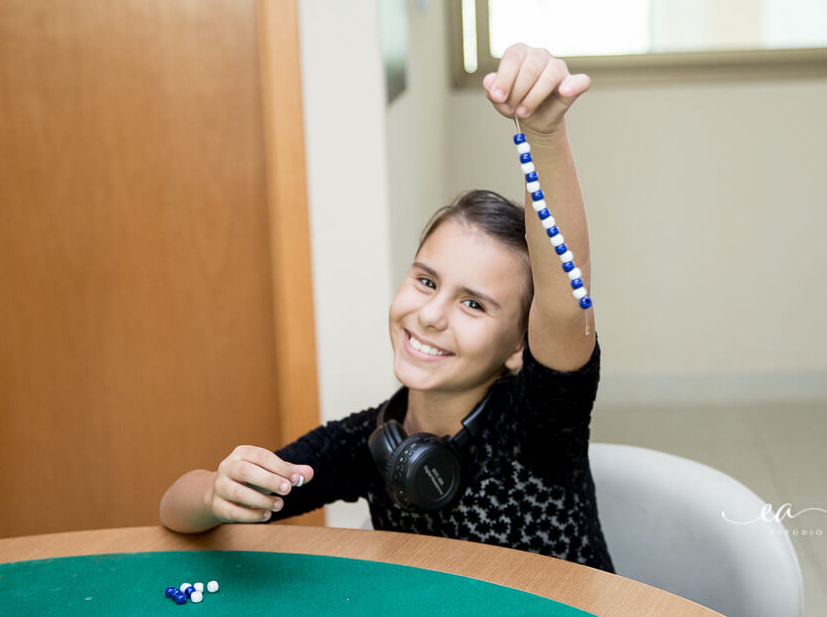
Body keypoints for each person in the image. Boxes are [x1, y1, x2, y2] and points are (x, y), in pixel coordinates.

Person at [159, 43, 614, 573]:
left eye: (473, 303)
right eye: (426, 281)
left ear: (518, 347)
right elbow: (176, 509)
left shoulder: (539, 426)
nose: (431, 315)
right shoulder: (371, 441)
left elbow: (565, 300)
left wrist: (543, 134)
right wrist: (216, 492)